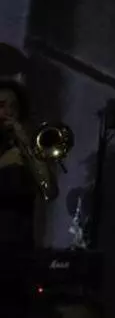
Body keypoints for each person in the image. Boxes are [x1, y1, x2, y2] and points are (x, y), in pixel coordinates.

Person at [0, 79, 50, 317]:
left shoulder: (24, 150)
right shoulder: (8, 156)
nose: (8, 112)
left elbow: (49, 190)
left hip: (19, 253)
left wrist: (27, 145)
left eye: (14, 107)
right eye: (2, 105)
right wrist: (4, 164)